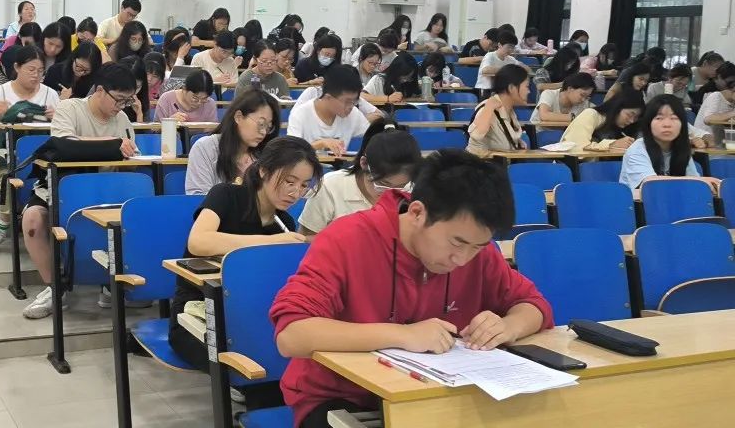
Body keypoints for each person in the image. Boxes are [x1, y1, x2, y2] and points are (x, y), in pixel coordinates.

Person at [271, 150, 553, 428]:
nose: (462, 259)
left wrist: (508, 326)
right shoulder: (347, 238)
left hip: (436, 397)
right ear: (417, 212)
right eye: (456, 243)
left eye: (477, 246)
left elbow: (533, 305)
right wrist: (403, 335)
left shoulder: (479, 254)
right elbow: (292, 334)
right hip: (344, 399)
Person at [170, 136, 319, 371]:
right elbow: (198, 242)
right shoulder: (226, 195)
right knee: (256, 357)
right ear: (263, 171)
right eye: (289, 181)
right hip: (199, 315)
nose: (295, 192)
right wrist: (270, 242)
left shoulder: (284, 224)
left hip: (249, 315)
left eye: (303, 186)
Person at [16, 63, 140, 319]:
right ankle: (55, 288)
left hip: (107, 190)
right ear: (100, 90)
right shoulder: (70, 108)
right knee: (33, 220)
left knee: (134, 216)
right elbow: (64, 144)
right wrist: (112, 144)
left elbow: (128, 160)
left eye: (127, 101)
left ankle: (112, 283)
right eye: (118, 99)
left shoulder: (123, 120)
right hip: (62, 186)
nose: (121, 106)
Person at [0, 46, 61, 253]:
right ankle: (2, 227)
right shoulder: (0, 92)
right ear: (17, 67)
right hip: (6, 155)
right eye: (31, 69)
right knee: (9, 177)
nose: (36, 75)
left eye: (40, 71)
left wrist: (57, 117)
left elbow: (63, 133)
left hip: (42, 155)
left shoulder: (50, 94)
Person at [298, 128, 421, 235]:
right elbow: (304, 240)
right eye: (382, 185)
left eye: (401, 186)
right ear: (364, 164)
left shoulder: (415, 190)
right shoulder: (330, 186)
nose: (390, 194)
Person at [185, 90, 280, 194]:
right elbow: (197, 197)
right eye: (261, 124)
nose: (263, 132)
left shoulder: (265, 156)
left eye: (268, 127)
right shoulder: (205, 148)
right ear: (238, 117)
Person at [620, 95, 721, 191]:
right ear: (648, 123)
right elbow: (650, 184)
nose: (667, 124)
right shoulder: (638, 148)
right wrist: (699, 181)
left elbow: (693, 182)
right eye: (659, 118)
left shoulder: (681, 148)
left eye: (674, 118)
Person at [287, 65, 370, 156]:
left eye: (354, 101)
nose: (351, 106)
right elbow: (291, 152)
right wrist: (321, 144)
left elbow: (373, 135)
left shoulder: (353, 114)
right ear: (328, 97)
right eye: (347, 102)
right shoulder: (300, 114)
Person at [467, 64, 530, 155]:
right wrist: (488, 108)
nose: (529, 91)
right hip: (479, 163)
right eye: (526, 86)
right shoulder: (488, 107)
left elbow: (501, 138)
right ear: (511, 88)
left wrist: (516, 143)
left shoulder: (509, 111)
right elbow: (476, 135)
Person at [561, 91, 645, 151]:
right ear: (617, 107)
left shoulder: (626, 129)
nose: (632, 121)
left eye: (636, 118)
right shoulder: (591, 114)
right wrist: (612, 144)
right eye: (629, 115)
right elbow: (576, 147)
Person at [530, 72, 596, 128]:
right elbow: (544, 115)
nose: (583, 99)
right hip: (539, 134)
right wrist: (573, 117)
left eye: (587, 97)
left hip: (565, 136)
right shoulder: (549, 94)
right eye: (582, 95)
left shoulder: (584, 103)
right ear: (570, 88)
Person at [694, 61, 735, 146]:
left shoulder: (732, 103)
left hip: (722, 145)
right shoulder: (716, 96)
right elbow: (708, 119)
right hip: (705, 145)